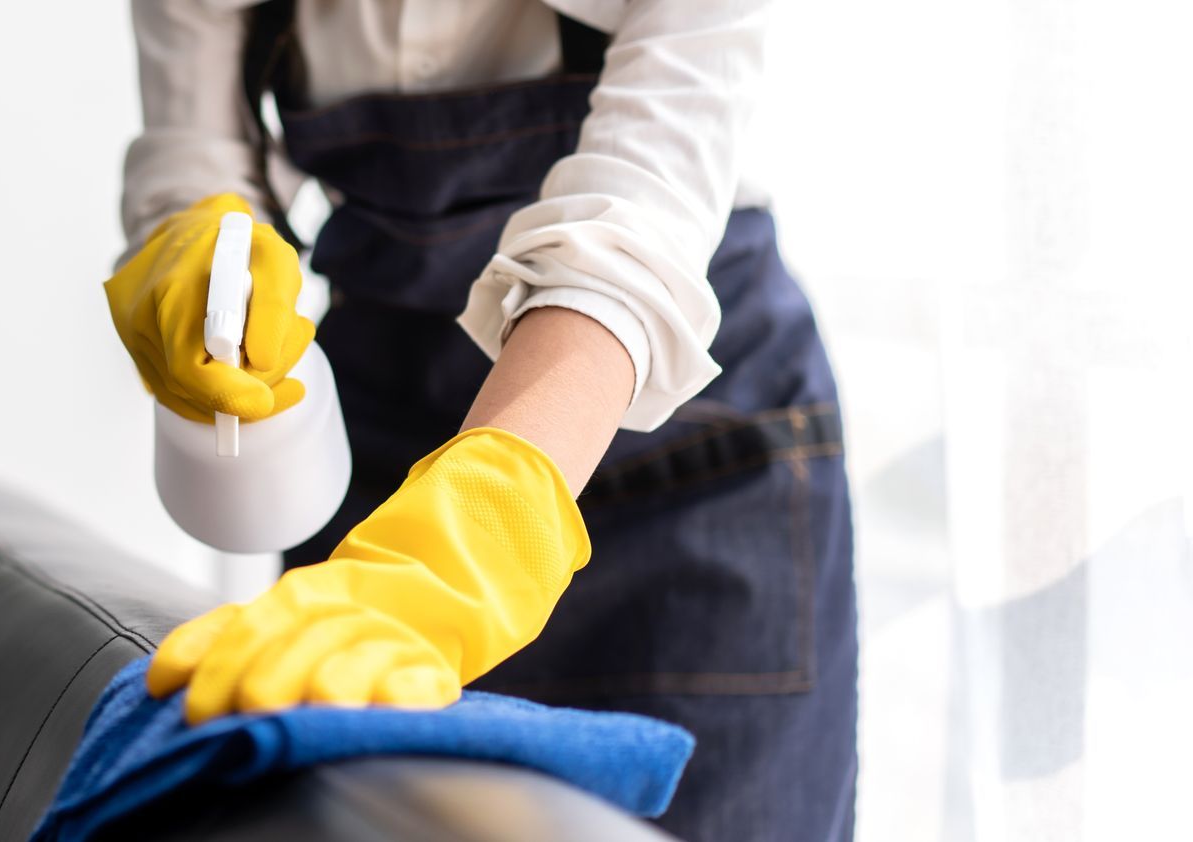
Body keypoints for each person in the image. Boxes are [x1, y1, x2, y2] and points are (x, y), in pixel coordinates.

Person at [101, 1, 856, 839]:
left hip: (694, 477)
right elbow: (195, 142)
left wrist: (483, 528)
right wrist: (195, 235)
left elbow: (628, 237)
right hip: (388, 465)